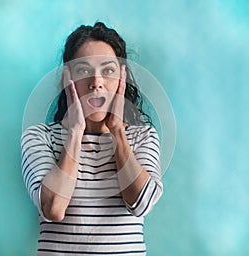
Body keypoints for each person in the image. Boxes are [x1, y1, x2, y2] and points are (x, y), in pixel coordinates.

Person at [21, 22, 163, 256]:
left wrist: (117, 130)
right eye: (83, 70)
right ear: (67, 80)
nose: (96, 82)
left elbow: (142, 203)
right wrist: (76, 131)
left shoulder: (142, 137)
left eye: (108, 71)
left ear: (121, 80)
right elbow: (53, 208)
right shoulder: (39, 138)